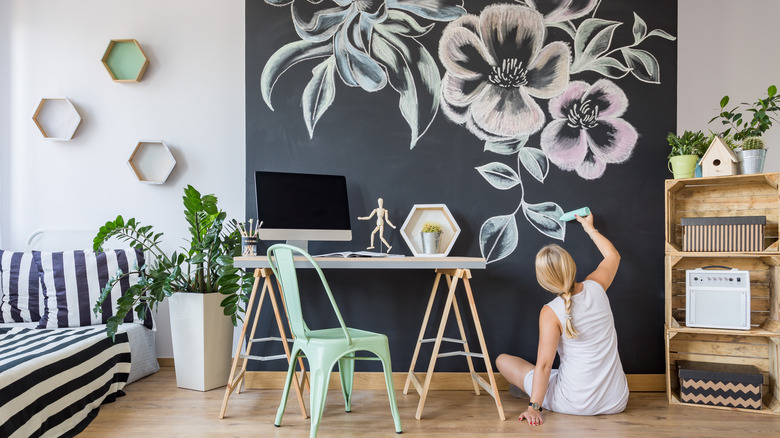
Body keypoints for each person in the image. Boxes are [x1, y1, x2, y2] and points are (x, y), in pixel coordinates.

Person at [496, 212, 628, 427]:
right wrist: (589, 228)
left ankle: (533, 394)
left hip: (574, 402)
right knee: (558, 372)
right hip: (616, 400)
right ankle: (537, 389)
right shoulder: (597, 287)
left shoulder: (551, 311)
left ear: (543, 280)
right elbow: (613, 256)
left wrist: (534, 407)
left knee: (503, 360)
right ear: (571, 265)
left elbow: (545, 365)